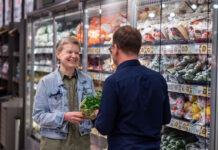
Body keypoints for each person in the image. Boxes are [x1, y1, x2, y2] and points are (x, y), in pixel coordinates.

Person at [94, 25, 171, 150]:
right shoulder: (158, 79)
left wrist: (97, 115)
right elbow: (166, 118)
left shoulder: (113, 82)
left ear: (115, 48)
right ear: (138, 48)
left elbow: (104, 127)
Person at [32, 37, 95, 150]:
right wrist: (64, 117)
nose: (74, 56)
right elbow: (38, 116)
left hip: (81, 144)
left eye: (77, 52)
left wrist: (94, 114)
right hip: (54, 144)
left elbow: (94, 111)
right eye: (69, 52)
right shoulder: (46, 82)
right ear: (58, 54)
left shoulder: (87, 81)